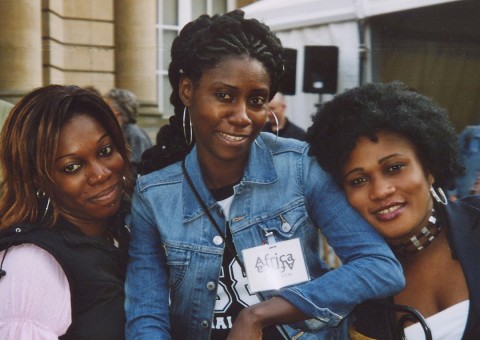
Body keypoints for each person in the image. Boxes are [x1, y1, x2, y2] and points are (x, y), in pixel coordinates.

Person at [125, 10, 404, 340]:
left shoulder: (298, 167)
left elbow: (379, 266)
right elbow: (147, 315)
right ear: (188, 91)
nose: (242, 116)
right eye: (224, 96)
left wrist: (258, 316)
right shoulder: (154, 195)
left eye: (256, 100)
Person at [306, 81, 479, 339]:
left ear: (428, 167)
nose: (381, 191)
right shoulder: (358, 288)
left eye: (394, 168)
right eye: (358, 180)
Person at [0, 85, 133, 339]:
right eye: (72, 167)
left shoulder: (129, 227)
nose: (100, 173)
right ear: (38, 179)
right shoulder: (32, 264)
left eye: (105, 151)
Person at [104, 88, 152, 179]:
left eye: (106, 106)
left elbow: (134, 171)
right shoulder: (119, 132)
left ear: (116, 111)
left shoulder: (134, 135)